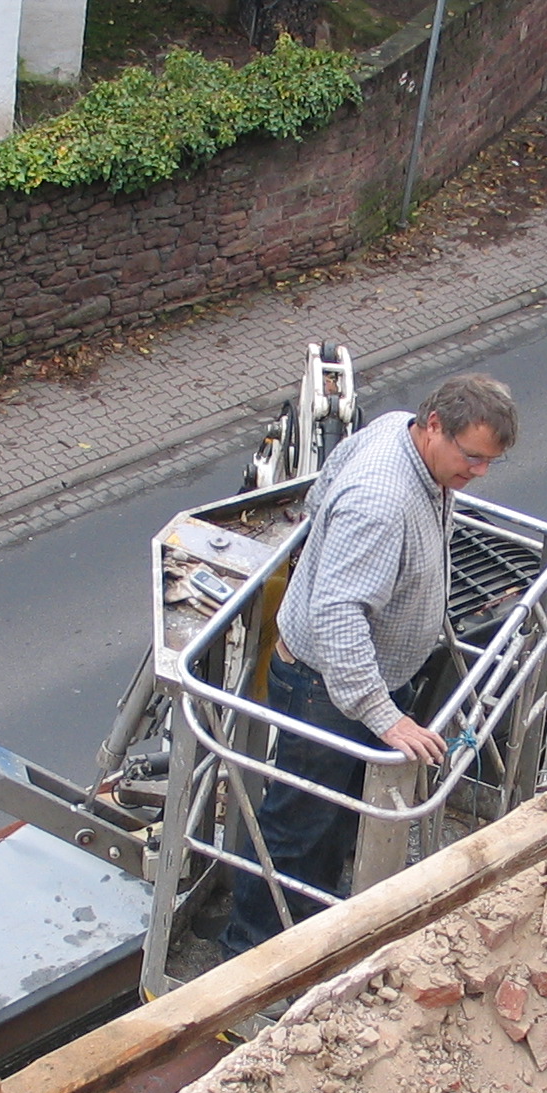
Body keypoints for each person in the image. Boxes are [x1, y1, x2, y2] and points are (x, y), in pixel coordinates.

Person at [219, 374, 518, 957]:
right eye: (473, 458)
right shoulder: (382, 501)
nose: (479, 474)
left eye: (490, 462)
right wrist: (384, 715)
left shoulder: (397, 432)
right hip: (328, 690)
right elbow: (337, 616)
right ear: (435, 426)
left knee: (330, 819)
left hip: (353, 683)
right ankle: (248, 957)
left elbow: (320, 495)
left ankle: (317, 927)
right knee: (298, 829)